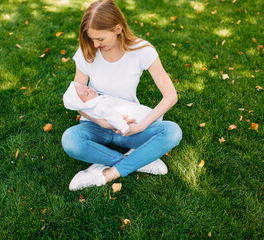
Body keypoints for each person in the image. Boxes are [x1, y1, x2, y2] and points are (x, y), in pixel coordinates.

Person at [61, 0, 182, 191]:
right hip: (95, 126)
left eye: (100, 39)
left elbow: (170, 96)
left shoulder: (142, 51)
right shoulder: (88, 52)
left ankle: (108, 173)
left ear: (118, 28)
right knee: (70, 139)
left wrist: (141, 125)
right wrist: (102, 122)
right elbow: (75, 99)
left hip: (130, 127)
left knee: (172, 131)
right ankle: (139, 161)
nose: (95, 44)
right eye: (91, 38)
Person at [63, 81, 163, 135]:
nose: (91, 90)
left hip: (128, 110)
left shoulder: (96, 101)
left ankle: (154, 118)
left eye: (88, 87)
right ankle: (154, 119)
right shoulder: (99, 106)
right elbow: (112, 116)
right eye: (87, 93)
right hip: (126, 118)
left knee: (141, 112)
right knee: (141, 114)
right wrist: (124, 128)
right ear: (83, 104)